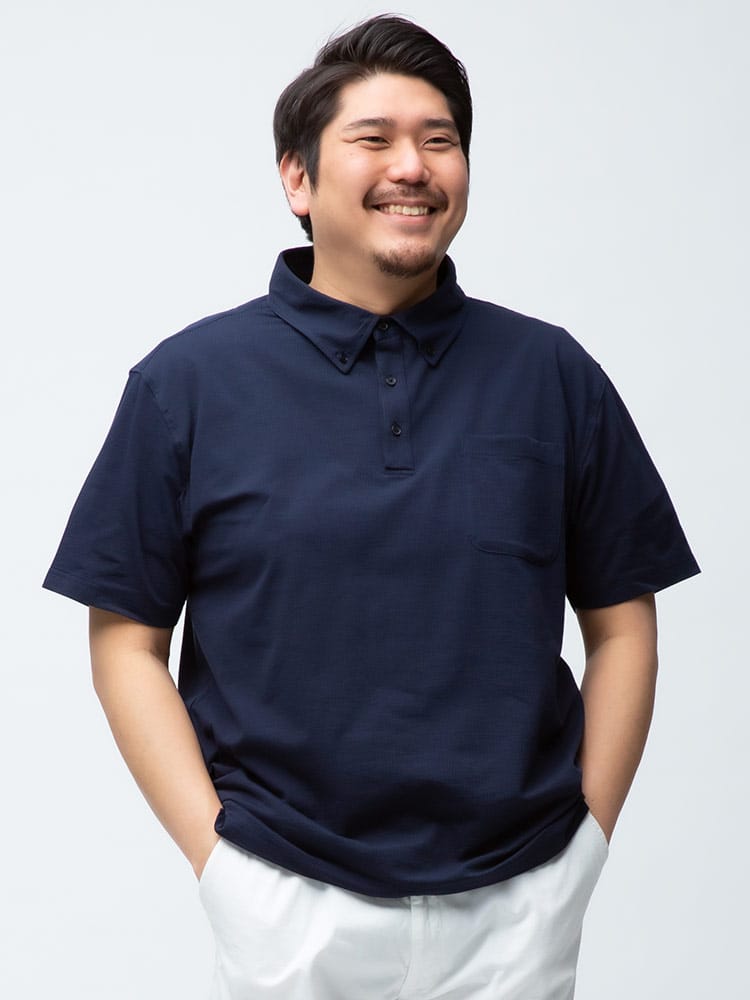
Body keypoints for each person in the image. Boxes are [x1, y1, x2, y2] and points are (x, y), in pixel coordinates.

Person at [44, 14, 700, 1000]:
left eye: (441, 140)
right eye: (375, 138)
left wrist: (586, 848)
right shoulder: (188, 383)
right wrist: (224, 866)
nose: (414, 167)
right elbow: (125, 641)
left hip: (519, 899)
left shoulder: (551, 373)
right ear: (297, 178)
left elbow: (624, 624)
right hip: (285, 892)